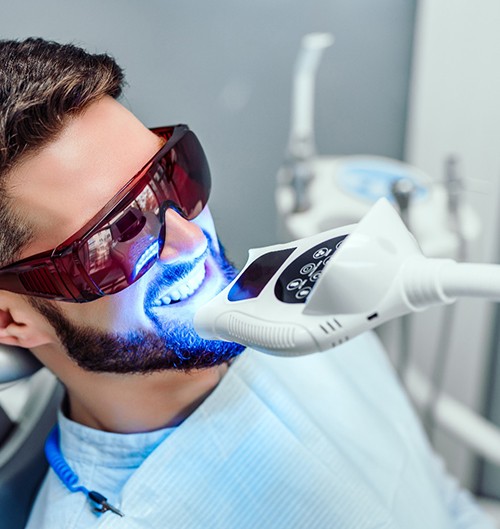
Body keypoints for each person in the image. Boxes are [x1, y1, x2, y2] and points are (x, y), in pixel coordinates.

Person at [0, 37, 495, 529]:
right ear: (11, 319)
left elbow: (437, 498)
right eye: (115, 235)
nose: (191, 240)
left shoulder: (313, 301)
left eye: (171, 176)